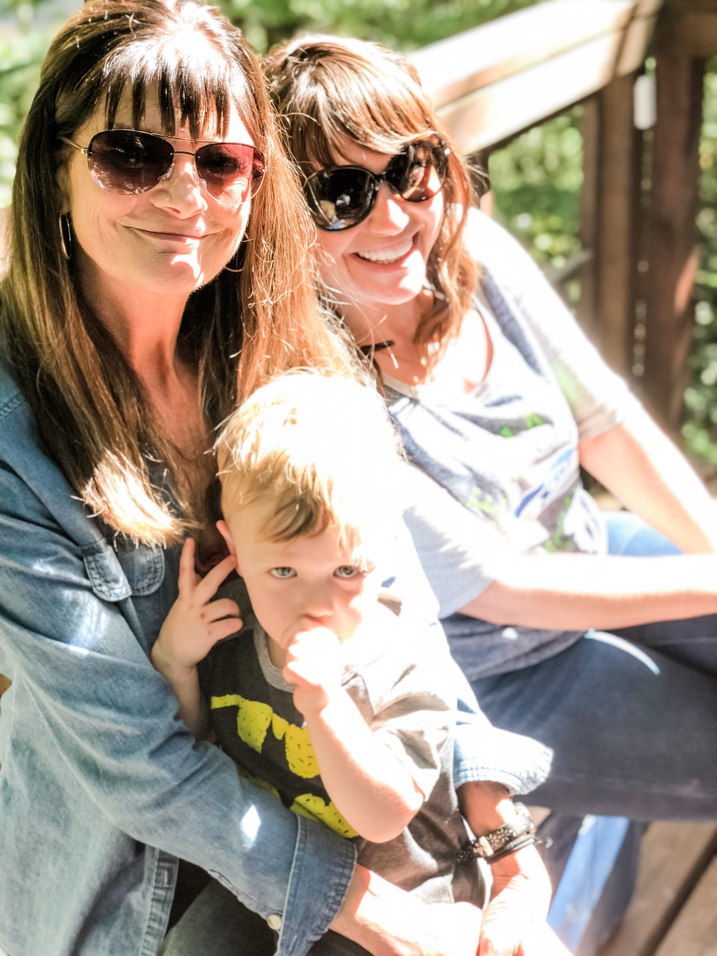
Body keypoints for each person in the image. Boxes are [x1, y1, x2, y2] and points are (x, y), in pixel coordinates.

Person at [0, 3, 558, 956]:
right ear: (55, 171)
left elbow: (400, 612)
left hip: (361, 813)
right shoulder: (17, 438)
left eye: (221, 163)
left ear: (259, 185)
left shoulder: (292, 363)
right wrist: (388, 921)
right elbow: (136, 761)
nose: (187, 195)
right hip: (150, 891)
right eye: (132, 155)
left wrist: (499, 834)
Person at [264, 32, 717, 832]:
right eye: (341, 193)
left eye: (410, 168)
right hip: (502, 670)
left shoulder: (466, 253)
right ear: (285, 215)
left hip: (585, 551)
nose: (394, 214)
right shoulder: (322, 394)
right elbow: (501, 586)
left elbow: (603, 423)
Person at [152, 370, 489, 955]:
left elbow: (382, 819)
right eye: (283, 571)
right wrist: (176, 661)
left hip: (405, 897)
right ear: (234, 547)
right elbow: (195, 738)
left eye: (345, 571)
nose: (315, 605)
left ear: (383, 545)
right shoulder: (230, 623)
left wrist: (325, 703)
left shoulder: (404, 667)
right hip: (270, 881)